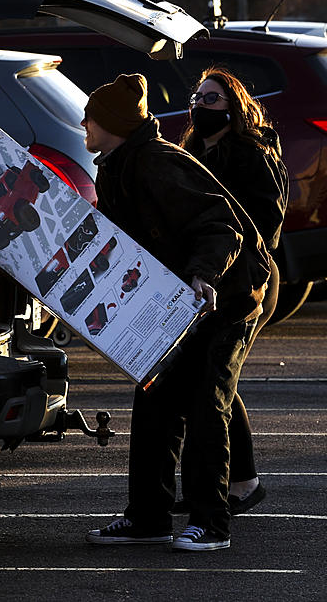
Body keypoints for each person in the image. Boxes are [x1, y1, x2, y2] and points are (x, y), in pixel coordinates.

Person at [80, 73, 271, 552]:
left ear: (115, 125)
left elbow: (222, 225)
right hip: (171, 303)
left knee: (206, 402)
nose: (83, 122)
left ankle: (211, 523)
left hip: (224, 297)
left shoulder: (158, 163)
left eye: (92, 116)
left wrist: (203, 274)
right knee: (154, 401)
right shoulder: (117, 164)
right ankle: (148, 518)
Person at [174, 67, 289, 515]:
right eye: (198, 97)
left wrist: (221, 256)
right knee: (207, 382)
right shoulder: (188, 151)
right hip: (201, 279)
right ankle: (232, 481)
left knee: (214, 383)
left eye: (213, 98)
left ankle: (237, 484)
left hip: (245, 281)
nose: (201, 105)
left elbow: (266, 226)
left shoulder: (248, 155)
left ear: (234, 106)